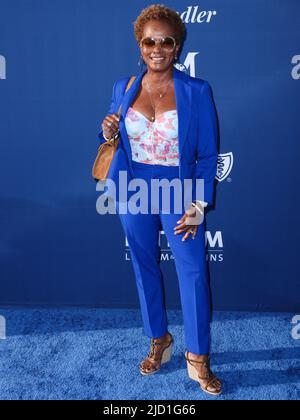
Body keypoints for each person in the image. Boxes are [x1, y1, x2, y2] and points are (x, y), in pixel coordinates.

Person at [99, 4, 221, 396]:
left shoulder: (196, 91)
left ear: (177, 47)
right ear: (140, 44)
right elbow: (113, 139)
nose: (157, 48)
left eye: (166, 41)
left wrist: (198, 204)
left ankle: (198, 357)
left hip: (178, 191)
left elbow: (206, 155)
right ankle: (159, 340)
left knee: (193, 272)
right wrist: (106, 130)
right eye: (149, 40)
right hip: (134, 188)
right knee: (144, 266)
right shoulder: (124, 87)